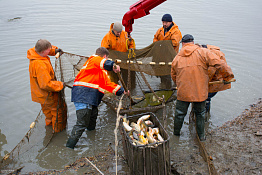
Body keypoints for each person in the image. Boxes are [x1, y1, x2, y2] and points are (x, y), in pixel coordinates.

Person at [171, 34, 234, 141]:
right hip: (199, 92)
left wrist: (180, 85)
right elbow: (220, 63)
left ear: (183, 44)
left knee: (179, 114)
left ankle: (175, 136)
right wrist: (228, 76)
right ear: (193, 42)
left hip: (183, 92)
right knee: (200, 114)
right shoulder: (203, 52)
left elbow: (173, 76)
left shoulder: (177, 58)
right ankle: (201, 137)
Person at [66, 47, 127, 149]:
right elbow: (104, 62)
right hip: (83, 96)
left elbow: (107, 84)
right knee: (81, 123)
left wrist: (122, 91)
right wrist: (113, 66)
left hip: (91, 98)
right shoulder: (94, 59)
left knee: (93, 116)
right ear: (104, 56)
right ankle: (69, 148)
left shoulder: (99, 72)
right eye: (106, 58)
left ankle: (91, 137)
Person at [27, 39, 66, 133]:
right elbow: (45, 84)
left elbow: (46, 49)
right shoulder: (40, 65)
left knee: (48, 113)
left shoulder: (34, 52)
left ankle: (49, 127)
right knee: (57, 112)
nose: (50, 51)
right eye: (49, 50)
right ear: (43, 51)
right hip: (47, 94)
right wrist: (60, 85)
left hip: (39, 94)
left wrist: (54, 50)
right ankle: (57, 131)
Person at [101, 22, 135, 87]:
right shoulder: (107, 37)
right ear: (113, 30)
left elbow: (131, 43)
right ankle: (115, 90)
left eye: (120, 32)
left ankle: (129, 89)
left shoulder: (125, 34)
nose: (119, 34)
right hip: (113, 61)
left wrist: (131, 49)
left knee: (128, 77)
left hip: (124, 60)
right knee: (113, 79)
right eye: (117, 32)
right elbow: (104, 49)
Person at [200, 44, 232, 113]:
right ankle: (205, 115)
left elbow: (210, 73)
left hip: (216, 81)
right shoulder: (207, 50)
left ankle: (205, 115)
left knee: (206, 97)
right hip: (214, 79)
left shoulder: (212, 55)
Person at [153, 14, 182, 88]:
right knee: (161, 71)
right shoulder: (160, 30)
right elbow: (155, 38)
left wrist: (161, 44)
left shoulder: (176, 32)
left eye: (166, 22)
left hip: (170, 56)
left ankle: (168, 88)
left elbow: (174, 43)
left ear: (171, 22)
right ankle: (163, 85)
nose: (164, 24)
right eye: (163, 22)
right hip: (161, 55)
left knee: (168, 73)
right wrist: (157, 44)